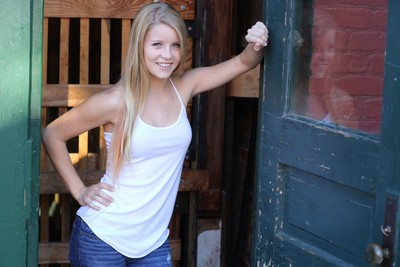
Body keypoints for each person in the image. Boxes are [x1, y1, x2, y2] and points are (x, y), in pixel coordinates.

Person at [42, 2, 268, 266]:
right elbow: (52, 134)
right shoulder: (117, 101)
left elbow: (243, 62)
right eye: (157, 44)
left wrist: (257, 41)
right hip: (102, 239)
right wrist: (80, 192)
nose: (168, 54)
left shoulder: (183, 86)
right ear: (140, 46)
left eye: (175, 45)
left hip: (154, 243)